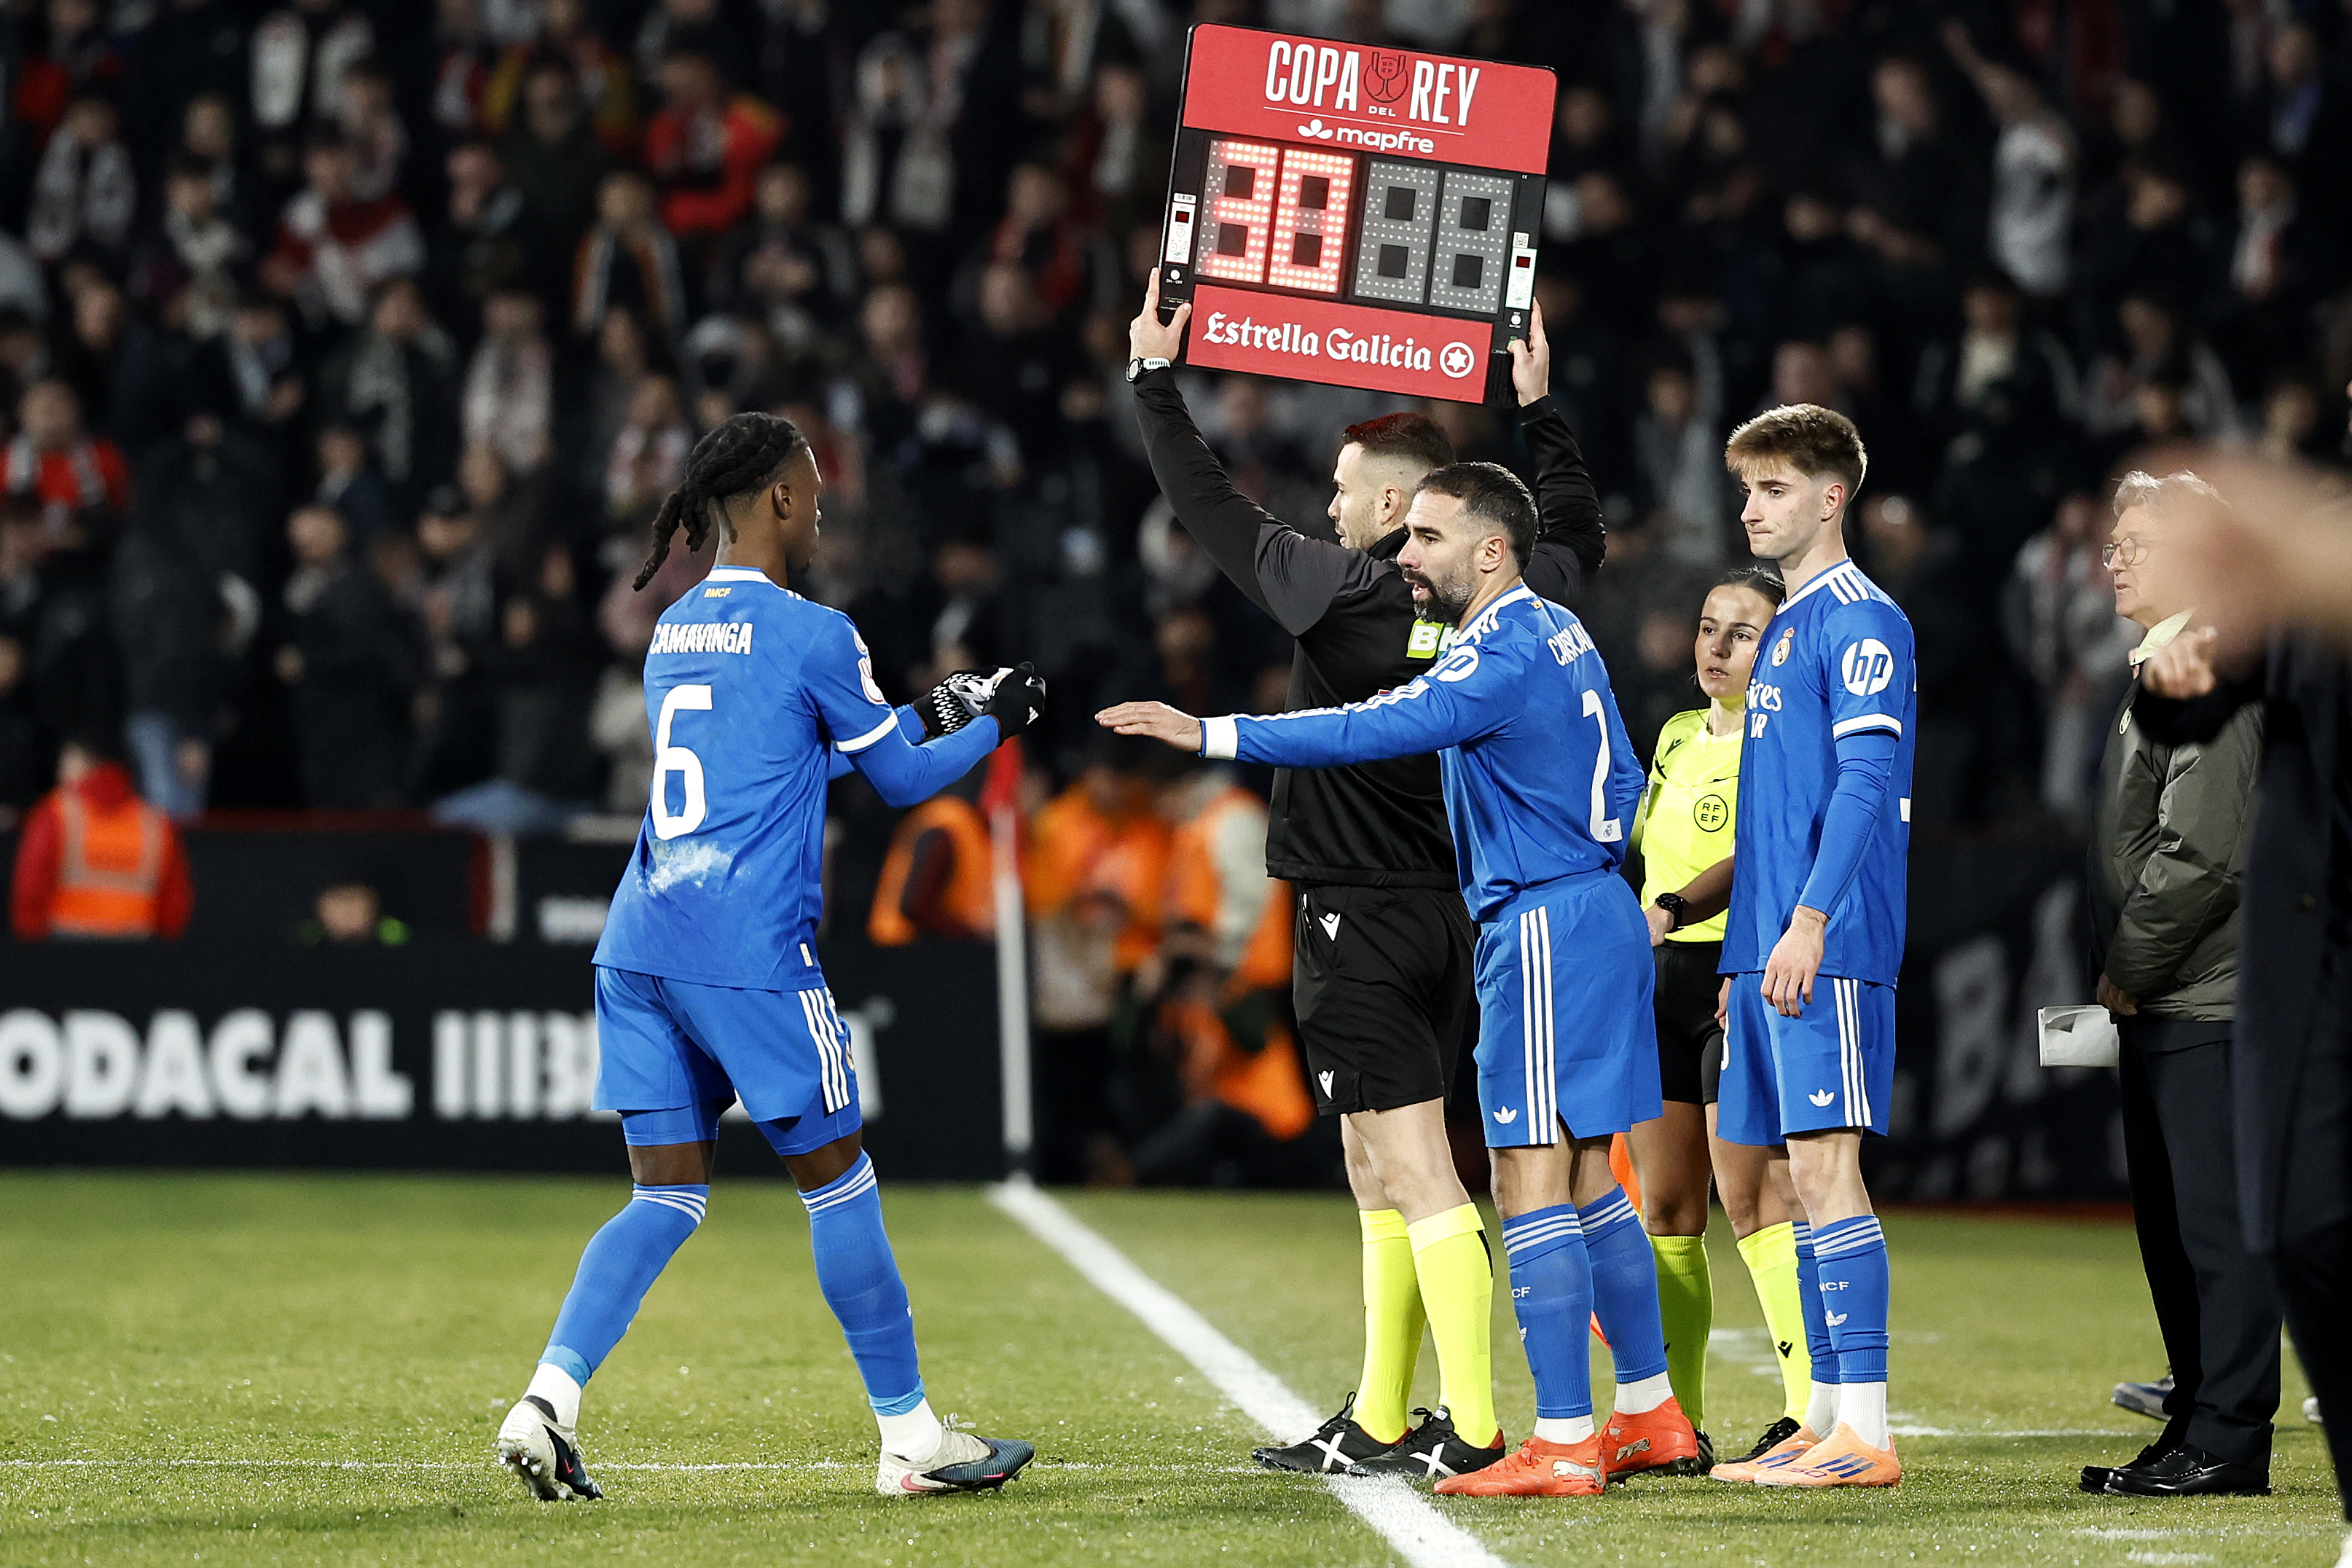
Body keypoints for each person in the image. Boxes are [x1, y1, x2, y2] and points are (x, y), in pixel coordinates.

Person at [1100, 460, 1696, 1497]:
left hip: (1546, 918)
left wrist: (1213, 733)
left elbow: (1375, 726)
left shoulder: (1504, 642)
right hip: (1594, 907)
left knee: (1528, 1179)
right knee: (1596, 1174)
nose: (1406, 556)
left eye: (1427, 537)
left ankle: (1560, 1438)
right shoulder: (1561, 626)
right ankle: (1649, 1412)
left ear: (1492, 549)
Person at [494, 412, 1045, 1503]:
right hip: (748, 950)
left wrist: (935, 706)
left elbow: (780, 762)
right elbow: (893, 782)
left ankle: (545, 1402)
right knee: (840, 1184)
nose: (824, 504)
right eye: (813, 487)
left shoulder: (672, 630)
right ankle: (913, 1442)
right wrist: (999, 723)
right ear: (780, 503)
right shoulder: (816, 632)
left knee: (666, 1197)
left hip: (641, 941)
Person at [1125, 273, 1608, 1483]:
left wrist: (1150, 380)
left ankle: (1471, 1422)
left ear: (1397, 503)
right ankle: (1382, 1415)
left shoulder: (1353, 591)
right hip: (1452, 908)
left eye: (1343, 491)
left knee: (1409, 1166)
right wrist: (1539, 407)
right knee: (1374, 1161)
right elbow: (1571, 536)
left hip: (1356, 904)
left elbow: (1211, 511)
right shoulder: (1504, 601)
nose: (1326, 508)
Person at [1703, 404, 1913, 1490]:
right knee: (1792, 1181)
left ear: (1833, 497)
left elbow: (1869, 785)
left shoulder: (1864, 621)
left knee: (1831, 1175)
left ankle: (1868, 1436)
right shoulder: (1786, 624)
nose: (1752, 506)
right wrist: (1746, 957)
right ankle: (1823, 1420)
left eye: (1775, 488)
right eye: (1748, 488)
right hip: (1775, 952)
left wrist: (1810, 922)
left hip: (1829, 944)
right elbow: (1770, 811)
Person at [2077, 470, 2275, 1499]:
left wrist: (2129, 964)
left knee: (2216, 1230)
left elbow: (2204, 853)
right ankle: (2196, 1427)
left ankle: (2231, 1440)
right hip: (2177, 998)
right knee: (2175, 1232)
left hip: (2212, 1000)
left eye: (2138, 542)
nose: (2113, 557)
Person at [1626, 565, 1816, 1473]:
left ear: (1776, 646)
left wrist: (1667, 905)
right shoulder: (1672, 736)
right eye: (1709, 627)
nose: (1718, 646)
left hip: (1731, 972)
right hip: (1660, 980)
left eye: (1742, 633)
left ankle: (1808, 1413)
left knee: (1754, 1199)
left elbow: (1761, 851)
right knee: (1665, 1208)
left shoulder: (1785, 737)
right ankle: (1678, 1424)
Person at [9, 734, 192, 941]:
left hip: (65, 951)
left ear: (91, 762)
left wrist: (29, 945)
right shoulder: (154, 822)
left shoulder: (56, 814)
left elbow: (30, 887)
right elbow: (174, 898)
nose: (60, 771)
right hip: (137, 952)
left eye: (68, 759)